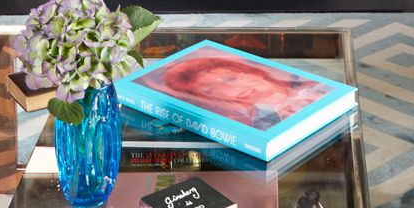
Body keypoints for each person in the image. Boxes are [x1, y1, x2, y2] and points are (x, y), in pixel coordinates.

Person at [139, 50, 327, 129]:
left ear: (249, 71)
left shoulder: (318, 87)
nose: (229, 91)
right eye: (209, 90)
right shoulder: (259, 125)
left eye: (230, 78)